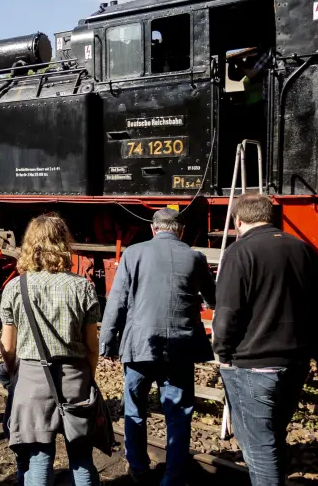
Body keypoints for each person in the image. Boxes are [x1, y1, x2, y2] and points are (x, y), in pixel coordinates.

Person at [213, 193, 318, 486]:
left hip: (254, 364)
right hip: (295, 361)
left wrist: (222, 353)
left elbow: (227, 312)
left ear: (238, 220)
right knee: (275, 435)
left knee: (258, 448)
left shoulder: (239, 252)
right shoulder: (303, 249)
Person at [100, 208, 216, 486]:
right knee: (179, 414)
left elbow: (117, 300)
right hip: (180, 347)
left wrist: (107, 342)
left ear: (153, 229)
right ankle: (173, 477)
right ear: (181, 232)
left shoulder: (133, 253)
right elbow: (214, 300)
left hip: (140, 345)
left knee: (134, 409)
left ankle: (139, 468)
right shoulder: (196, 257)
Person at [0, 214, 101, 486]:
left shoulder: (15, 287)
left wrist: (14, 374)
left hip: (31, 379)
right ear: (64, 244)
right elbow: (92, 347)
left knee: (38, 456)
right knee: (81, 456)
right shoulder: (83, 287)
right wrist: (87, 376)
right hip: (75, 376)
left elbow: (8, 347)